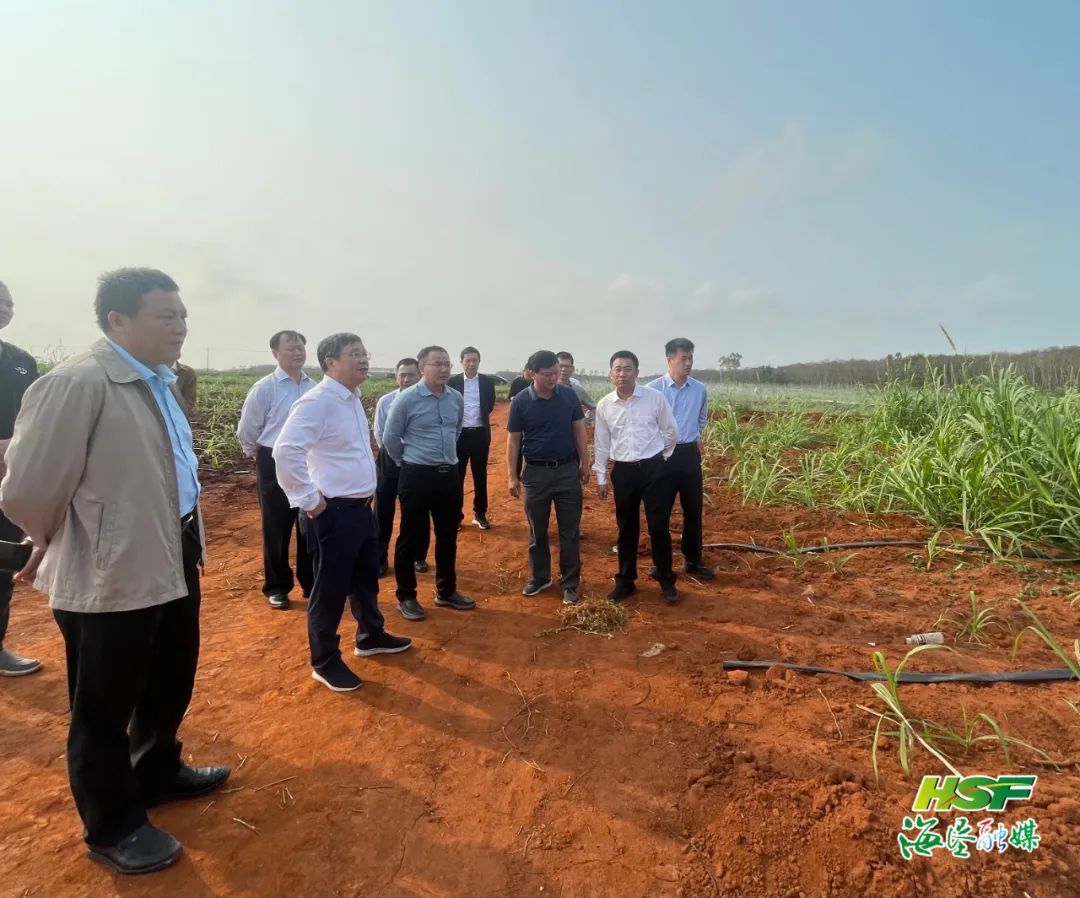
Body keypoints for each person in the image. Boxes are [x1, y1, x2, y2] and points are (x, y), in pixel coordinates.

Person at [1, 267, 229, 874]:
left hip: (174, 551)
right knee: (104, 705)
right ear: (117, 320)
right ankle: (112, 826)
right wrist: (60, 539)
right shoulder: (77, 383)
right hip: (111, 568)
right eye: (166, 316)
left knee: (170, 676)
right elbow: (26, 489)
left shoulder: (160, 381)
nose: (181, 327)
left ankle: (156, 771)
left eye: (183, 315)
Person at [273, 333, 411, 693]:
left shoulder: (350, 398)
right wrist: (309, 499)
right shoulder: (317, 402)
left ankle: (370, 635)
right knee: (330, 590)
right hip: (332, 513)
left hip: (361, 509)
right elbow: (285, 451)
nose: (363, 359)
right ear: (330, 363)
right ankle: (324, 661)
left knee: (365, 579)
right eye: (354, 354)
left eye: (364, 353)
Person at [382, 346, 475, 620]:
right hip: (416, 476)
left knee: (447, 535)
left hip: (449, 476)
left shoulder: (455, 398)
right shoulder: (407, 399)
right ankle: (406, 596)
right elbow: (390, 438)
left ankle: (446, 591)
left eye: (447, 364)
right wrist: (406, 461)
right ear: (422, 368)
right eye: (438, 364)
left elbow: (456, 430)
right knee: (410, 536)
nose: (444, 369)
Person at [236, 331, 316, 610]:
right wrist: (259, 457)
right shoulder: (265, 388)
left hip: (308, 461)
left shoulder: (314, 387)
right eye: (291, 348)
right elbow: (247, 430)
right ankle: (277, 586)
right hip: (273, 460)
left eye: (300, 347)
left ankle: (311, 582)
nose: (297, 352)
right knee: (276, 526)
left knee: (310, 521)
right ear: (275, 353)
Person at [593, 350, 679, 604]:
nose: (622, 374)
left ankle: (666, 579)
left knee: (658, 527)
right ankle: (626, 581)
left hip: (654, 470)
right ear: (611, 374)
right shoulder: (605, 405)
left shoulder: (654, 399)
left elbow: (670, 431)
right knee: (626, 528)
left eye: (627, 369)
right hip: (624, 472)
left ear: (637, 373)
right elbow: (601, 443)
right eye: (617, 369)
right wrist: (601, 476)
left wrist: (662, 457)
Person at [507, 350, 589, 605]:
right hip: (535, 474)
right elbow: (514, 439)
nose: (554, 377)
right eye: (547, 374)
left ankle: (570, 583)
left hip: (566, 471)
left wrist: (585, 462)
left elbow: (579, 429)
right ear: (533, 374)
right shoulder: (521, 401)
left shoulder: (568, 396)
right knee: (537, 529)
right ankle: (540, 577)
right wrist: (512, 476)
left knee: (569, 530)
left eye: (556, 372)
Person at [0, 280, 42, 676]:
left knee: (3, 561)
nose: (5, 308)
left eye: (9, 303)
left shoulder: (21, 361)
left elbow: (36, 418)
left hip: (9, 479)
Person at [647, 338, 715, 580]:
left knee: (693, 510)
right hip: (661, 456)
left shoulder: (699, 389)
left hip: (688, 455)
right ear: (670, 360)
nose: (688, 363)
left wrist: (693, 435)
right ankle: (660, 563)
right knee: (659, 511)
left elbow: (702, 419)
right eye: (683, 358)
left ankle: (693, 560)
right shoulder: (653, 390)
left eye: (690, 359)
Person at [373, 358, 429, 577]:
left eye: (411, 375)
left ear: (420, 375)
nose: (406, 379)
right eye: (402, 375)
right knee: (382, 510)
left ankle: (418, 556)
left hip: (416, 462)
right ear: (396, 376)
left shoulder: (426, 401)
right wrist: (394, 454)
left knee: (416, 511)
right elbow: (379, 432)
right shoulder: (386, 401)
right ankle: (379, 558)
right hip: (389, 461)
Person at [447, 346, 496, 529]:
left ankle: (480, 514)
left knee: (480, 475)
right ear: (461, 362)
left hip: (480, 434)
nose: (471, 364)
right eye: (467, 360)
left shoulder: (487, 382)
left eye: (474, 360)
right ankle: (456, 516)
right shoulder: (452, 382)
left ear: (479, 362)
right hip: (459, 436)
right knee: (457, 476)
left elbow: (489, 405)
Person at [555, 351, 597, 422]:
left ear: (573, 369)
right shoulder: (547, 388)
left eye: (567, 366)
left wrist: (586, 419)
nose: (564, 369)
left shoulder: (577, 389)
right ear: (554, 367)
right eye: (560, 366)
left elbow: (594, 408)